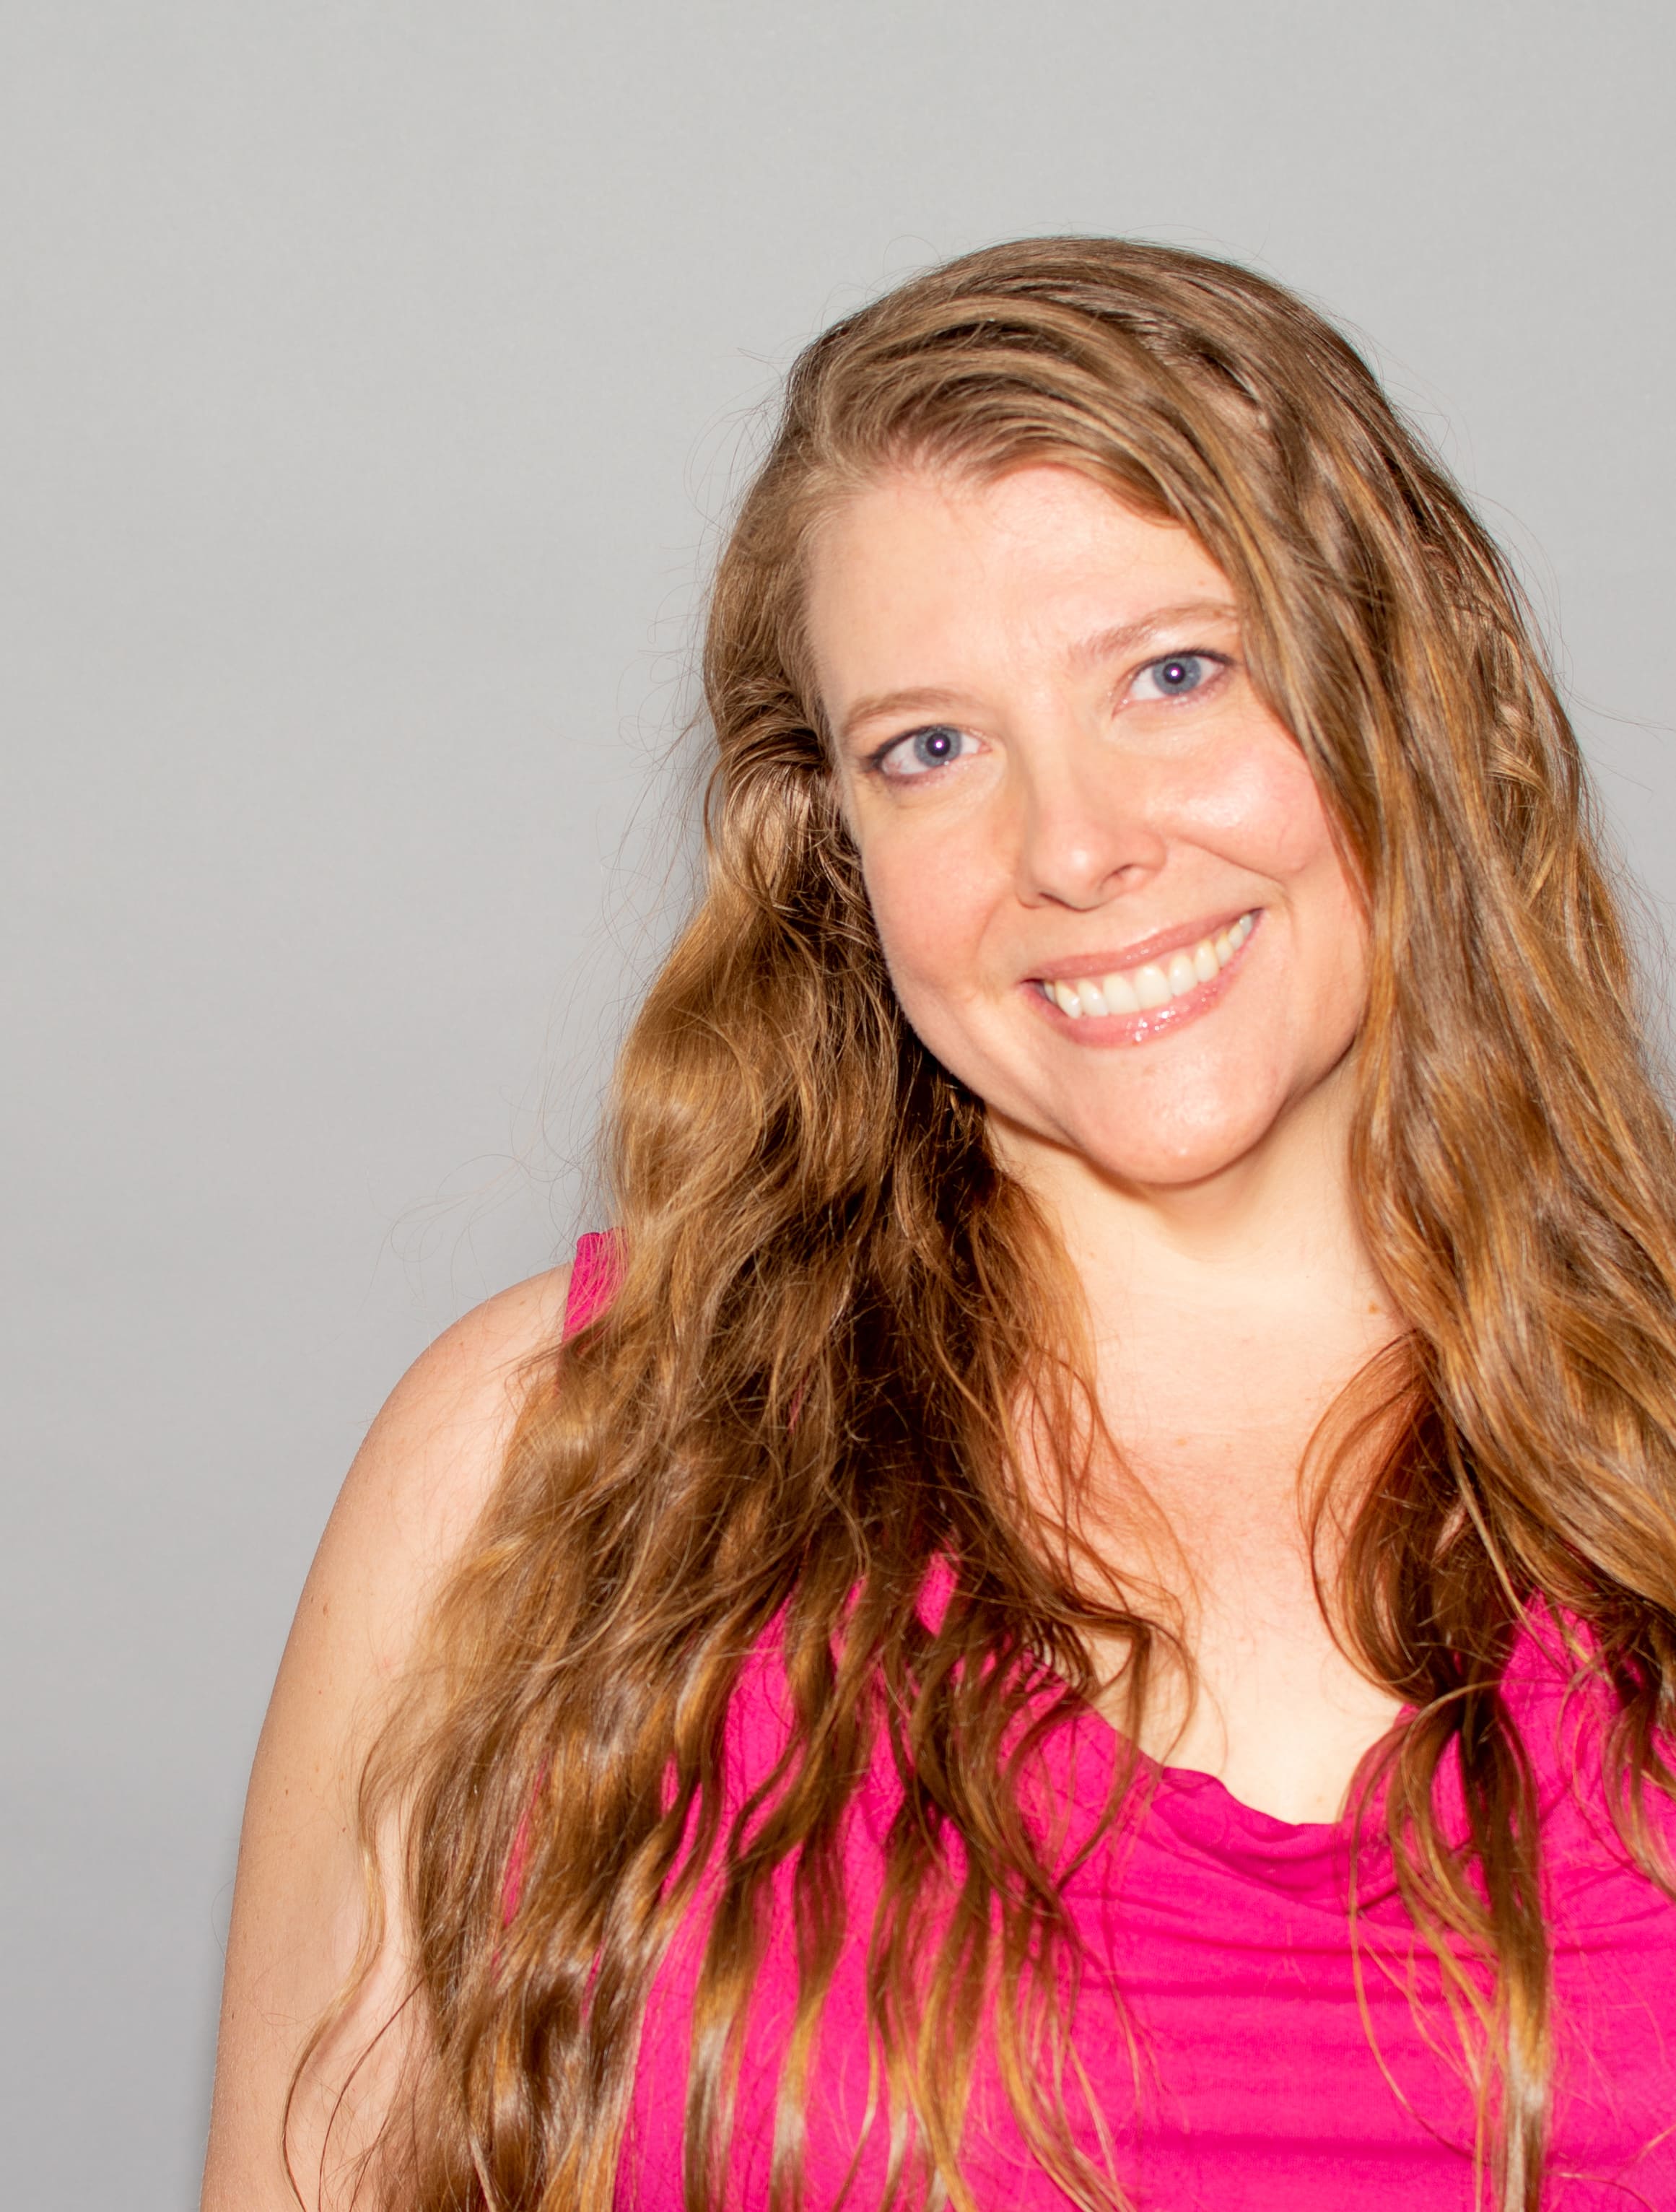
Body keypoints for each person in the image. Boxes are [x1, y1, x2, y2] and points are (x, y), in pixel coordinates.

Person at [201, 239, 1676, 2212]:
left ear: (1417, 696)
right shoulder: (540, 1458)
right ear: (833, 849)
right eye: (931, 748)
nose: (1075, 847)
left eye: (1174, 675)